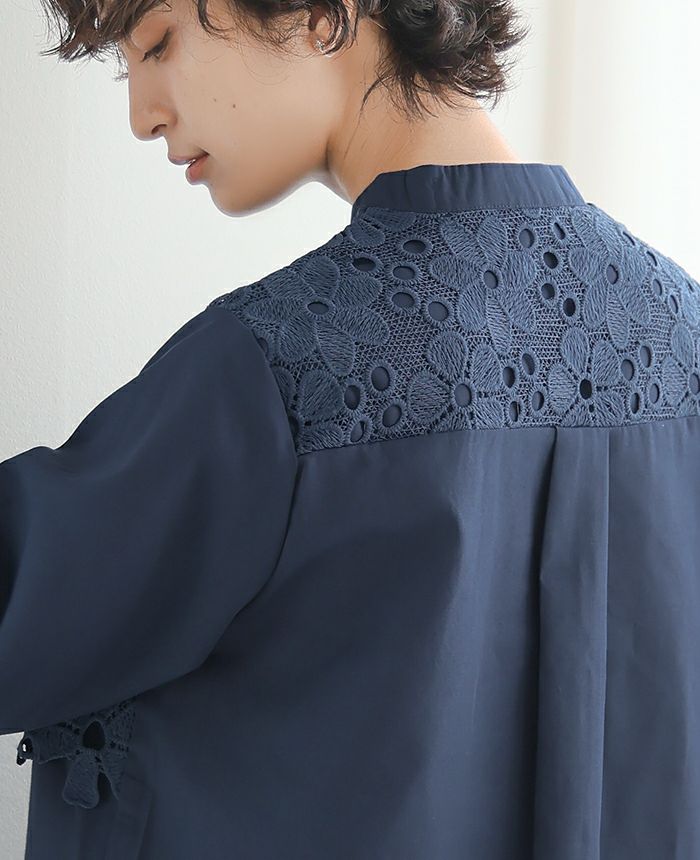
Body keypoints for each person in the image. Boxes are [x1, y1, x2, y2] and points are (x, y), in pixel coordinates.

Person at [3, 0, 699, 857]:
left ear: (318, 16)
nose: (143, 114)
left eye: (157, 44)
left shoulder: (285, 363)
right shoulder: (683, 330)